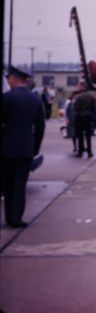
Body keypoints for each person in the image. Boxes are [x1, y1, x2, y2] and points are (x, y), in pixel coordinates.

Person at [1, 66, 46, 228]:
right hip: (26, 148)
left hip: (6, 148)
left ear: (13, 78)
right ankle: (17, 218)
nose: (8, 82)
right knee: (20, 184)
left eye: (8, 79)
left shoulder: (6, 98)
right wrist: (35, 148)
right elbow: (40, 127)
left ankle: (8, 217)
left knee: (7, 184)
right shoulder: (35, 99)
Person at [74, 82, 96, 158]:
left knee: (80, 135)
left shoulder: (78, 97)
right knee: (88, 135)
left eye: (79, 86)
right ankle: (89, 151)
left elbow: (76, 108)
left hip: (80, 117)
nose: (78, 88)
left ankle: (80, 151)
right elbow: (95, 108)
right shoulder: (92, 97)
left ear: (82, 87)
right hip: (89, 117)